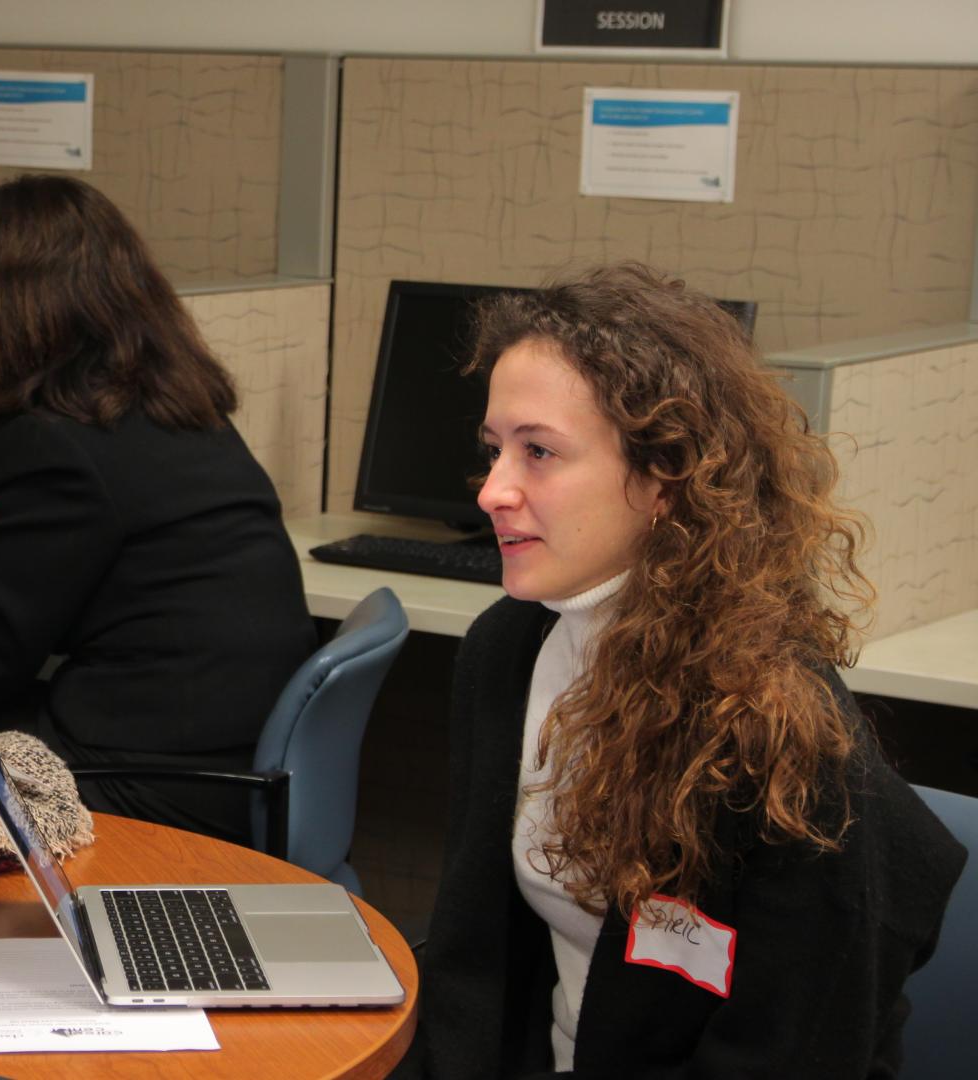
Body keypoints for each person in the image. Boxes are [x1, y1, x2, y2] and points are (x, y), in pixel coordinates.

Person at [408, 263, 965, 1077]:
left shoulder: (770, 725)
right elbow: (473, 956)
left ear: (665, 476)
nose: (494, 490)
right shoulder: (509, 647)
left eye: (539, 453)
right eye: (494, 451)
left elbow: (789, 1052)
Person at [0, 175, 316, 845]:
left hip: (153, 782)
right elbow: (132, 555)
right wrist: (10, 550)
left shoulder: (54, 439)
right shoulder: (174, 401)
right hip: (226, 756)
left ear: (17, 310)